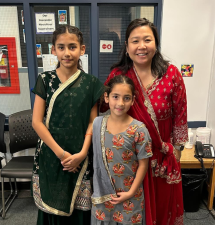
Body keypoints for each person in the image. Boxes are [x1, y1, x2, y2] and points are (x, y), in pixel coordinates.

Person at [101, 18, 188, 225]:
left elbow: (180, 116)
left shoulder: (171, 75)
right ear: (127, 46)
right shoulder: (118, 75)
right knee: (131, 212)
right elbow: (104, 112)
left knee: (160, 210)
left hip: (161, 159)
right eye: (135, 41)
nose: (141, 46)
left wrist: (175, 151)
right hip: (128, 159)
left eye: (147, 40)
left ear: (155, 44)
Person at [31, 25, 104, 225]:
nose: (66, 53)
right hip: (51, 155)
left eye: (72, 47)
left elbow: (93, 122)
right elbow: (37, 122)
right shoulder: (45, 80)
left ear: (82, 49)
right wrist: (61, 154)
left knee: (80, 210)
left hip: (81, 155)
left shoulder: (91, 83)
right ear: (53, 50)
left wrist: (81, 154)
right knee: (51, 209)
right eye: (61, 47)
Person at [91, 75, 153, 225]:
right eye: (115, 97)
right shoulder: (98, 124)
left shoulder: (139, 130)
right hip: (104, 194)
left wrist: (130, 193)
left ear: (132, 100)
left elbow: (143, 165)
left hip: (130, 195)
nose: (120, 103)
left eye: (126, 98)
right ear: (106, 97)